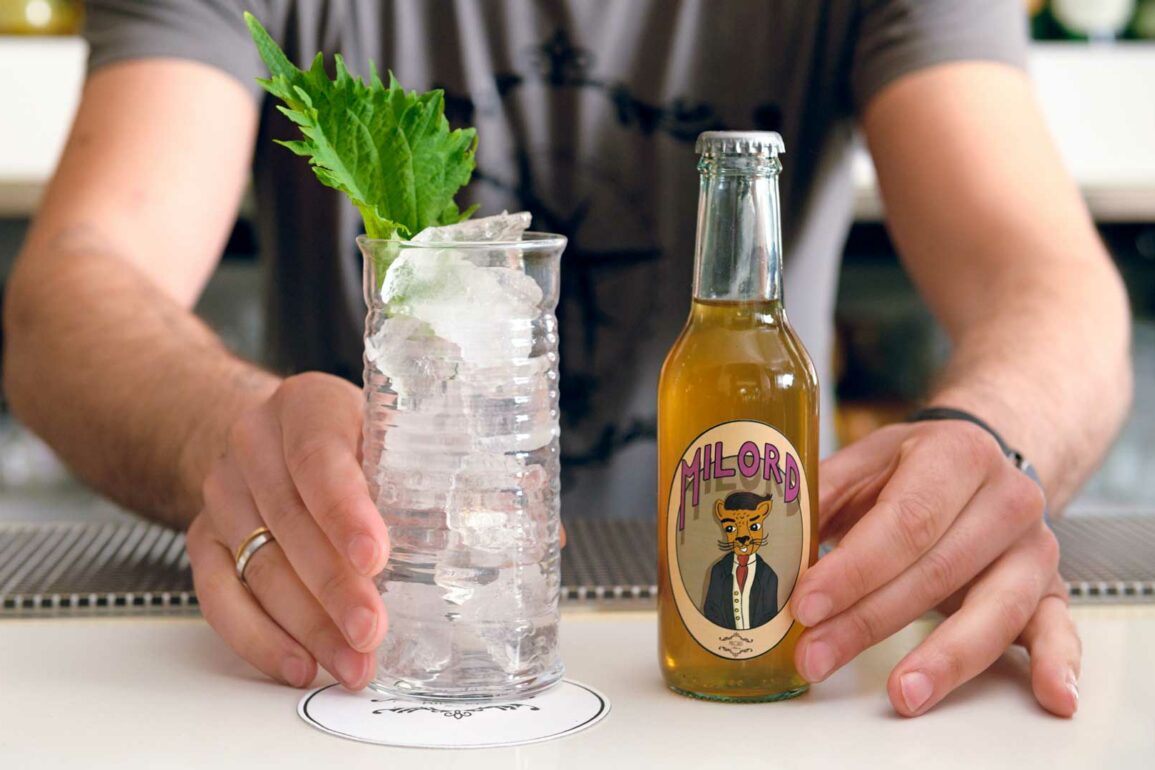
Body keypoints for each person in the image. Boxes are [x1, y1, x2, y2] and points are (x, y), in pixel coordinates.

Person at [2, 0, 1130, 718]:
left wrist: (983, 443)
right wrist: (230, 434)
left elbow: (1052, 287)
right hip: (372, 643)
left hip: (763, 657)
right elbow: (72, 291)